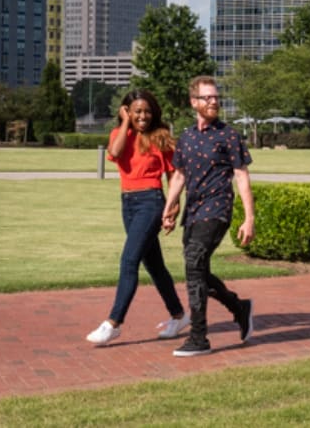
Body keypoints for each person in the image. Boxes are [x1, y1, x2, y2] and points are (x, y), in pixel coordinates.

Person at [159, 75, 255, 357]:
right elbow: (179, 176)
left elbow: (242, 177)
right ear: (194, 102)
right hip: (192, 212)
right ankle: (238, 307)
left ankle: (199, 337)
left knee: (193, 262)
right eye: (207, 98)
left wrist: (249, 218)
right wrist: (169, 208)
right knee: (198, 268)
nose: (214, 101)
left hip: (217, 209)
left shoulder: (229, 135)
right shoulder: (187, 137)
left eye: (216, 97)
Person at [86, 90, 190, 345]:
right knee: (153, 264)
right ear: (127, 112)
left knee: (129, 260)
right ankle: (178, 315)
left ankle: (114, 323)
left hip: (151, 203)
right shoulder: (120, 134)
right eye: (137, 111)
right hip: (128, 203)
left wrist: (173, 206)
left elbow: (174, 175)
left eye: (147, 111)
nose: (143, 116)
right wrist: (124, 124)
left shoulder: (161, 137)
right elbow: (116, 152)